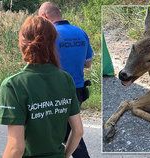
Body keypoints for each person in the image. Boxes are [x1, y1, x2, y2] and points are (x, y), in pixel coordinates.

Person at [0, 16, 83, 158]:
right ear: (53, 43)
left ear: (22, 42)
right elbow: (78, 131)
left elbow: (15, 148)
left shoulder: (13, 85)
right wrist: (65, 155)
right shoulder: (65, 78)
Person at [38, 2, 94, 158]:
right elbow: (88, 63)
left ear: (44, 16)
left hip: (56, 91)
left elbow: (41, 65)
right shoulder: (80, 32)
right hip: (79, 90)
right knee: (68, 130)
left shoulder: (49, 35)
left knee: (65, 132)